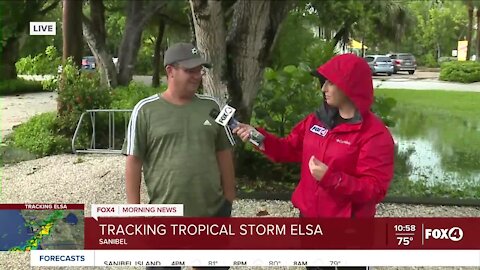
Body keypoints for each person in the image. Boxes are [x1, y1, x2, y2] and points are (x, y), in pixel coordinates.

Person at [233, 53, 394, 270]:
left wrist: (332, 179)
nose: (323, 88)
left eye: (330, 82)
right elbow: (288, 149)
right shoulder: (316, 120)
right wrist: (256, 137)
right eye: (323, 81)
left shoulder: (374, 135)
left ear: (350, 86)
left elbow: (374, 189)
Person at [122, 42, 235, 270]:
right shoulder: (145, 110)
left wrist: (229, 199)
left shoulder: (212, 106)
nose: (197, 76)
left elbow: (224, 151)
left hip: (211, 216)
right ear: (170, 71)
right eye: (190, 71)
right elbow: (133, 162)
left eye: (199, 71)